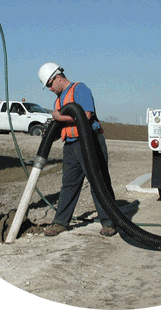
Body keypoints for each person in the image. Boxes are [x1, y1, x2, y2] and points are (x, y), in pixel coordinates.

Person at [38, 62, 116, 237]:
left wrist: (60, 116)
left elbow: (85, 116)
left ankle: (109, 221)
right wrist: (50, 132)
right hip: (71, 145)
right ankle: (60, 222)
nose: (49, 89)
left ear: (58, 77)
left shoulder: (80, 89)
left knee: (98, 182)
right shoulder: (59, 99)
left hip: (89, 142)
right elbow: (62, 126)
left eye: (49, 84)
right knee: (69, 184)